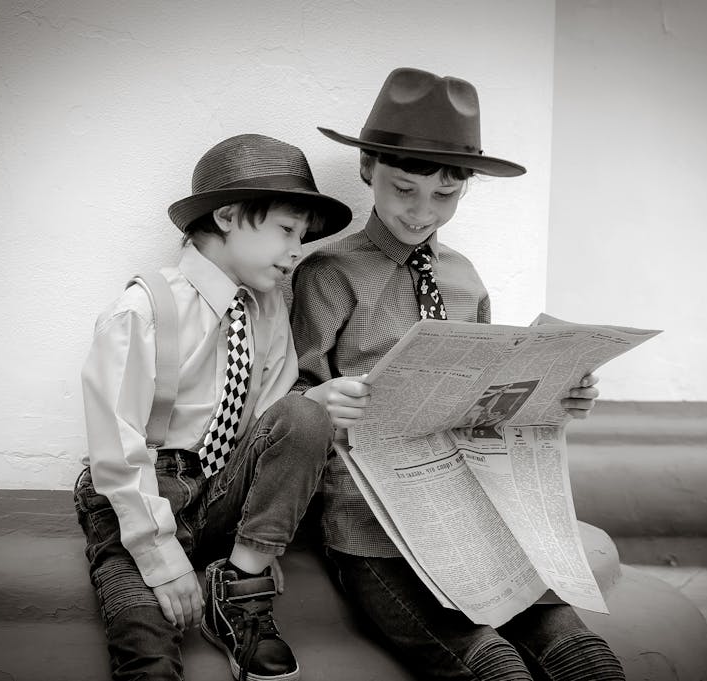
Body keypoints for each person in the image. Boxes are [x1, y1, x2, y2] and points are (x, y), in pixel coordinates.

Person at [291, 68, 626, 680]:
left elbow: (487, 400)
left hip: (472, 515)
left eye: (444, 196)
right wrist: (321, 399)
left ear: (465, 187)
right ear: (368, 168)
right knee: (492, 667)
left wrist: (558, 396)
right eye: (403, 189)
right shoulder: (329, 273)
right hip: (373, 530)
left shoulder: (465, 277)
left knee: (584, 659)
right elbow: (290, 398)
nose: (421, 212)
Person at [74, 133, 351, 681]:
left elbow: (271, 421)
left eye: (304, 236)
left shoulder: (269, 307)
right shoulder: (145, 307)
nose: (298, 250)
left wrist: (315, 406)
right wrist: (159, 555)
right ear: (226, 215)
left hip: (222, 487)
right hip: (143, 491)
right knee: (146, 651)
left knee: (305, 413)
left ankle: (239, 596)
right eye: (287, 230)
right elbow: (116, 444)